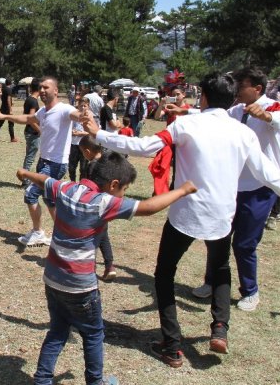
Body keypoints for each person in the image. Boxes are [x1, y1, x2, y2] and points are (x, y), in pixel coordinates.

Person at [82, 72, 280, 366]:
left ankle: (172, 345)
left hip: (185, 213)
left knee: (164, 274)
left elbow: (145, 146)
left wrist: (99, 134)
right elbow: (268, 173)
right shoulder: (243, 132)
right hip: (222, 215)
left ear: (203, 96)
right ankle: (220, 328)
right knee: (222, 268)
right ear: (232, 99)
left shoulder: (188, 124)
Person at [17, 153, 197, 385]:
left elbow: (43, 179)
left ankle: (42, 380)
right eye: (124, 189)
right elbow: (149, 207)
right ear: (113, 185)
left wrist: (24, 173)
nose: (123, 194)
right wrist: (182, 190)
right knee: (93, 334)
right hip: (81, 287)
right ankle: (95, 382)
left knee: (58, 330)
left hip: (52, 279)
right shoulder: (103, 202)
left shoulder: (65, 188)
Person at [184, 68, 280, 312]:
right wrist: (183, 111)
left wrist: (268, 117)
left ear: (257, 88)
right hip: (230, 185)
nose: (236, 89)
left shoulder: (273, 107)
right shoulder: (236, 110)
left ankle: (250, 291)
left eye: (242, 85)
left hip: (259, 189)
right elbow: (213, 115)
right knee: (217, 237)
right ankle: (211, 281)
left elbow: (277, 119)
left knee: (244, 244)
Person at [0, 76, 83, 247]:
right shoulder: (44, 111)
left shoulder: (64, 109)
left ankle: (38, 232)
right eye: (40, 87)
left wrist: (83, 114)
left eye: (46, 88)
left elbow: (75, 115)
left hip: (56, 164)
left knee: (31, 194)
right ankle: (62, 234)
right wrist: (4, 115)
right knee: (49, 200)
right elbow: (27, 119)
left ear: (55, 91)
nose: (42, 90)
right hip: (44, 161)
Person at [78, 136, 117, 281]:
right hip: (107, 204)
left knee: (91, 236)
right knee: (103, 235)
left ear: (87, 152)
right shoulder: (110, 161)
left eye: (82, 152)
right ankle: (110, 266)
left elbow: (88, 187)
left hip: (93, 205)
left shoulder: (92, 166)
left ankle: (87, 267)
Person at [21, 78, 42, 186]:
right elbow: (31, 118)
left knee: (29, 156)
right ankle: (25, 180)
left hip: (29, 132)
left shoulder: (29, 99)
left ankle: (25, 177)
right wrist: (40, 130)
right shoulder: (33, 101)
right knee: (30, 157)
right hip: (32, 132)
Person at [0, 78, 18, 142]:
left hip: (3, 108)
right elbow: (8, 99)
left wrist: (11, 103)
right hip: (7, 109)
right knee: (11, 123)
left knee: (0, 123)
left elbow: (5, 98)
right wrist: (10, 109)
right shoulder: (9, 89)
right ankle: (12, 138)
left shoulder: (4, 89)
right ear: (11, 83)